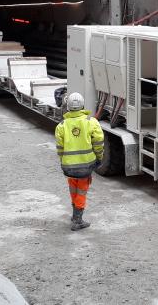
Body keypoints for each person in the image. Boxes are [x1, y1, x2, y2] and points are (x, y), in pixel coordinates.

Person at [55, 92, 104, 231]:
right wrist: (99, 158)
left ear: (68, 107)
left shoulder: (62, 125)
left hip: (69, 167)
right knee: (82, 191)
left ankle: (74, 213)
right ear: (82, 105)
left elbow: (60, 148)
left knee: (73, 188)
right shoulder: (91, 122)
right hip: (85, 167)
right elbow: (99, 142)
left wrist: (63, 161)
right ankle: (77, 220)